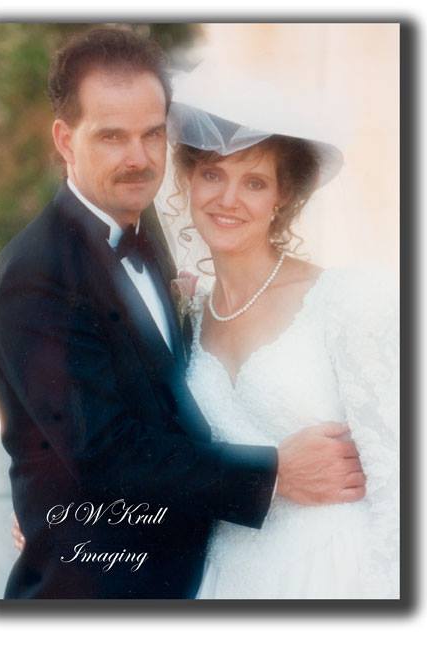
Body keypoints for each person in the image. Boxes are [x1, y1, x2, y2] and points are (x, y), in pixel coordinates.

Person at [0, 27, 365, 599]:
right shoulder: (34, 274)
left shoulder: (145, 226)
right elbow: (103, 454)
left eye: (152, 134)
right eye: (112, 136)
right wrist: (275, 473)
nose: (138, 158)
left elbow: (163, 401)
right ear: (65, 140)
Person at [166, 88, 399, 598]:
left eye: (254, 182)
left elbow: (402, 483)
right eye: (212, 174)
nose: (228, 199)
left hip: (334, 574)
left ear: (282, 198)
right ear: (188, 181)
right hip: (226, 577)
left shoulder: (346, 301)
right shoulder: (187, 313)